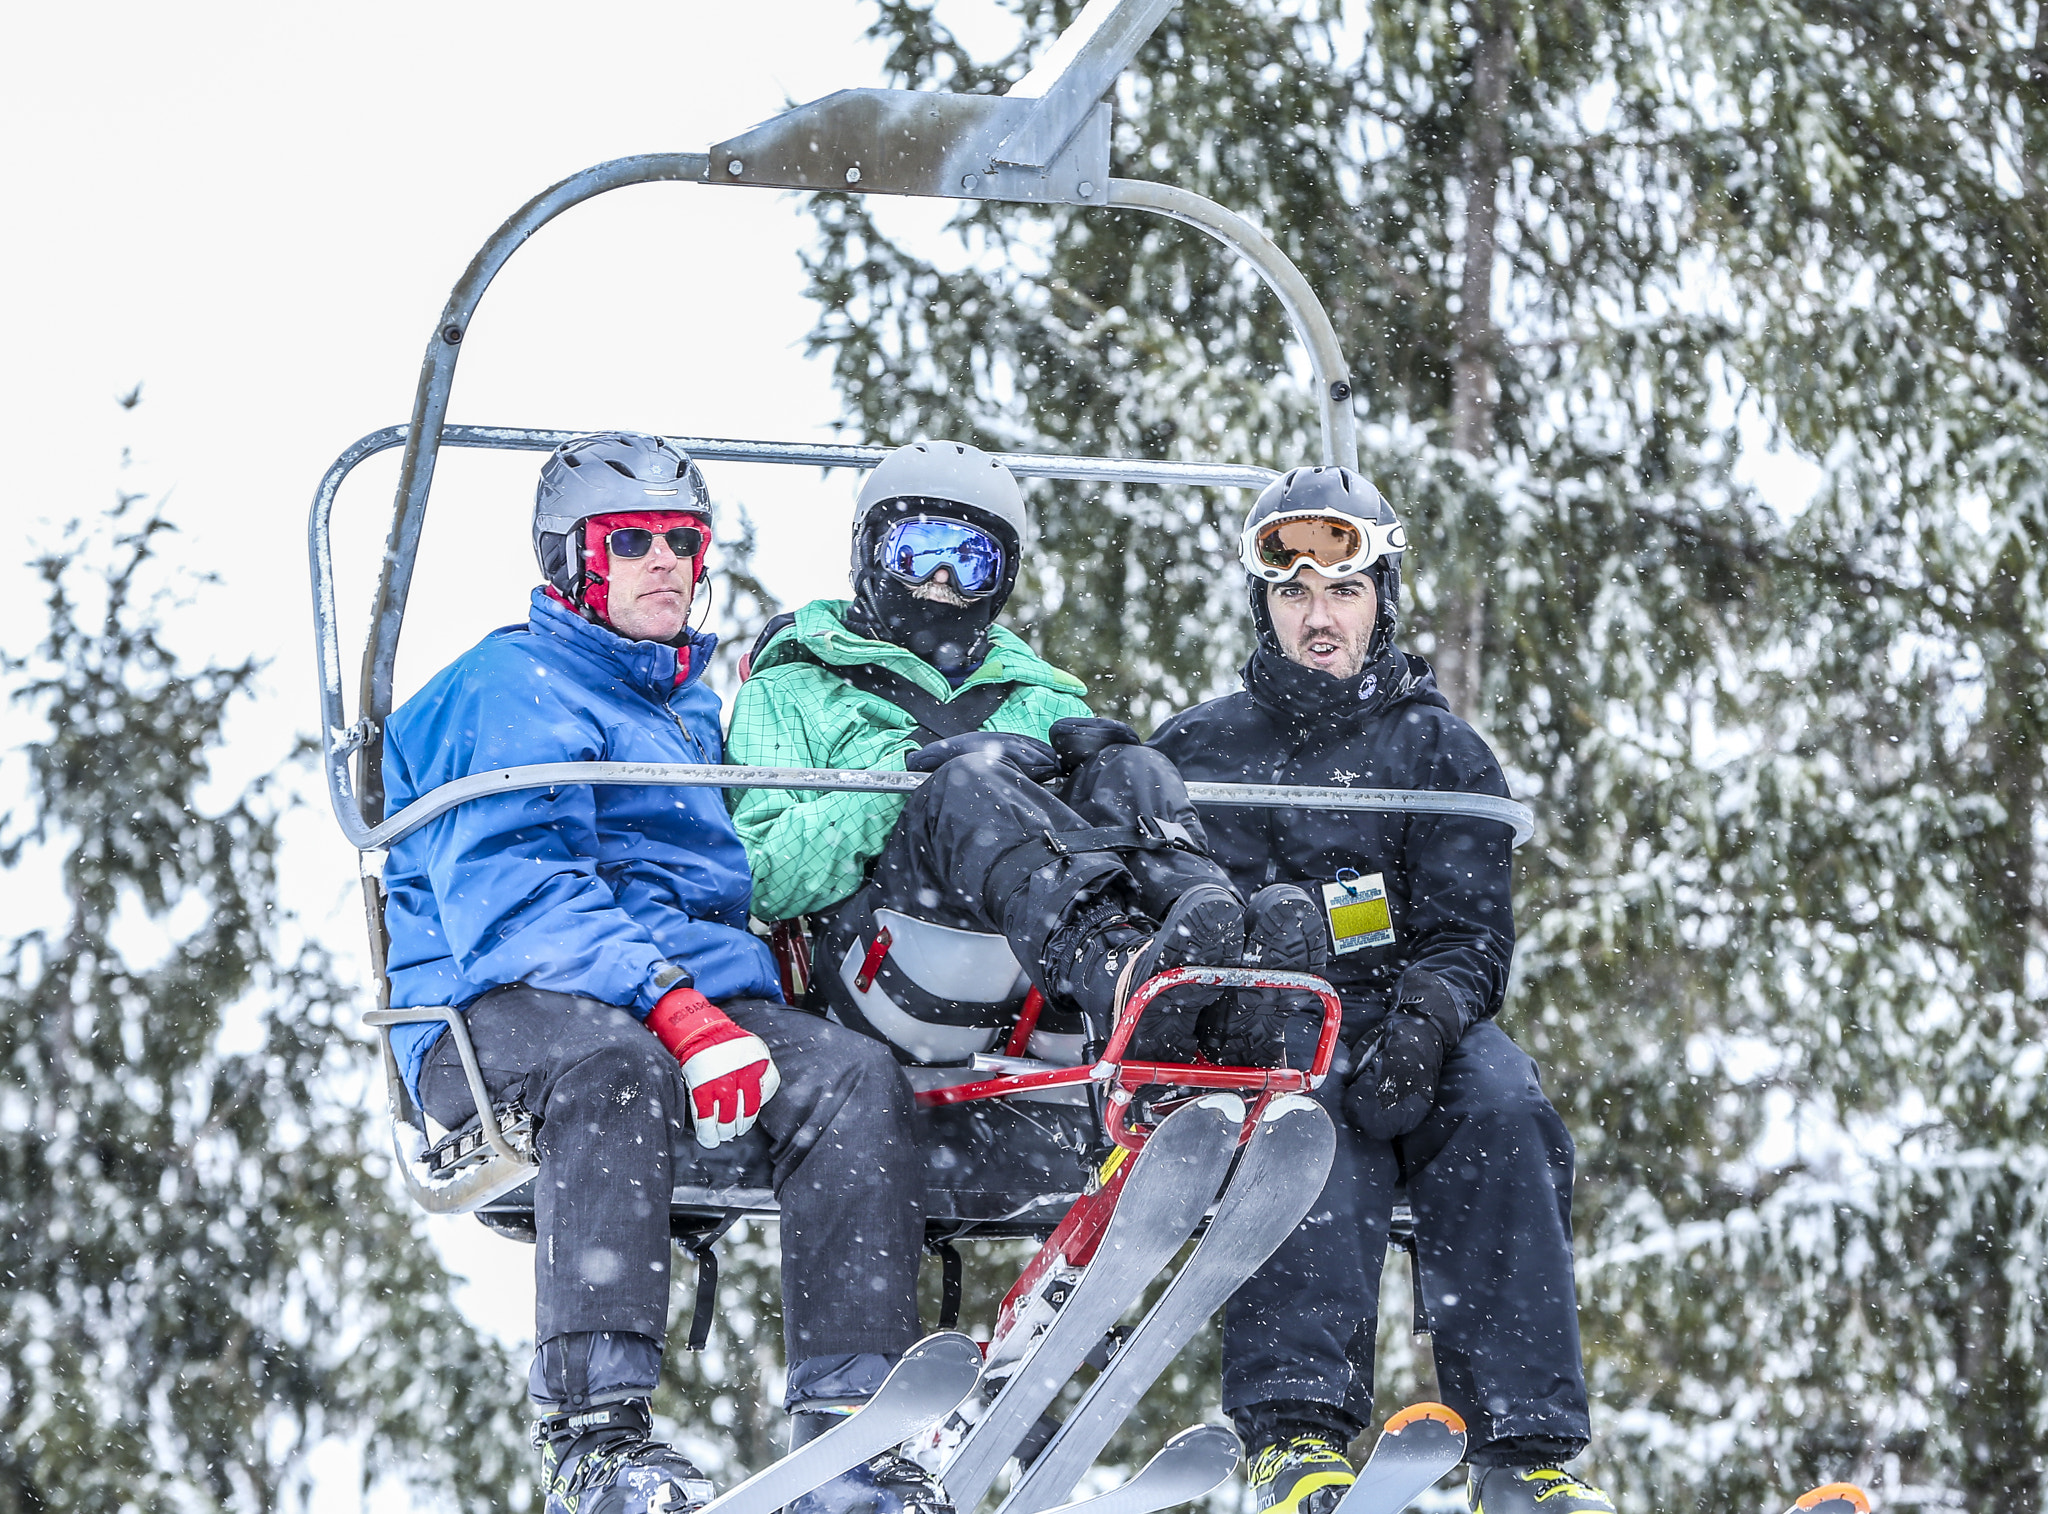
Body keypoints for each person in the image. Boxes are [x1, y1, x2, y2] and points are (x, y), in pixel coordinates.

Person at [379, 432, 937, 1514]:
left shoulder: (678, 705)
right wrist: (679, 1010)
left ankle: (848, 1432)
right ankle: (597, 1435)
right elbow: (519, 899)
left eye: (682, 540)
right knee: (615, 1064)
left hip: (677, 1003)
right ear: (567, 560)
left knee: (852, 1077)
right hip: (489, 1017)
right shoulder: (499, 689)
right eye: (629, 541)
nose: (664, 563)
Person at [1150, 466, 1615, 1514]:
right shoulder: (1202, 746)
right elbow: (1171, 907)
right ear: (1265, 607)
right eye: (1295, 594)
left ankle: (1523, 1446)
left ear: (1379, 599)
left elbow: (1469, 934)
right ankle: (1295, 1429)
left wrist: (1427, 1015)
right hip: (1271, 1020)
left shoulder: (1437, 750)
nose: (1318, 618)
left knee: (1502, 1107)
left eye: (1343, 591)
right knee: (1306, 1129)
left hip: (1408, 1010)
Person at [725, 439, 1321, 1077]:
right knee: (968, 784)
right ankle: (1111, 968)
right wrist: (902, 786)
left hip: (1034, 1001)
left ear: (1001, 578)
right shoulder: (791, 691)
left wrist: (1096, 778)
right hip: (884, 969)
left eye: (971, 560)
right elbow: (760, 878)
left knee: (1132, 768)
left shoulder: (1041, 697)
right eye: (918, 549)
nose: (941, 581)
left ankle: (1218, 986)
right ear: (870, 553)